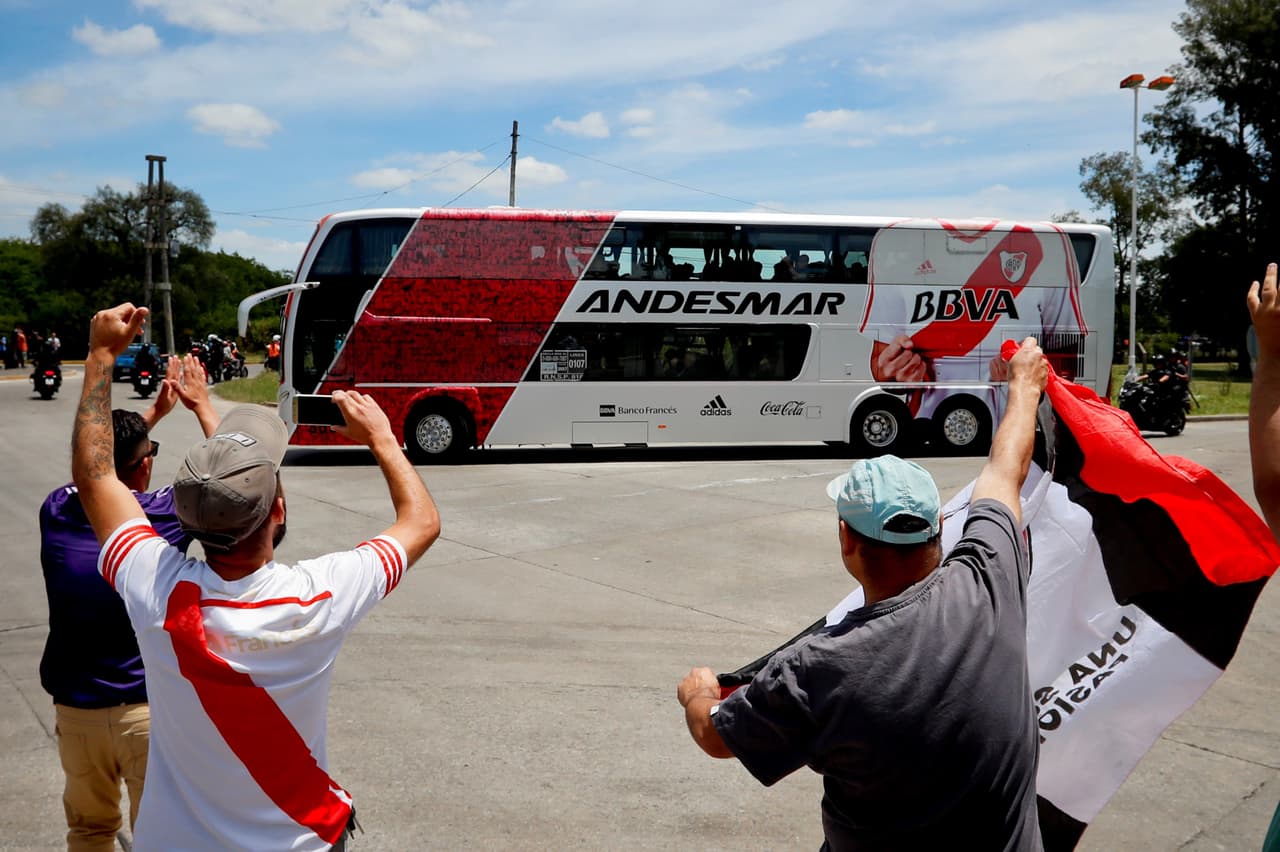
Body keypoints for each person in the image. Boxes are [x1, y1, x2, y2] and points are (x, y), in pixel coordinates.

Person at [70, 303, 441, 851]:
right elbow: (422, 521)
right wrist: (382, 438)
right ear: (280, 513)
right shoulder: (320, 594)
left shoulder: (155, 589)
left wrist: (101, 356)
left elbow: (96, 472)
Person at [678, 336, 1050, 850]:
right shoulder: (987, 577)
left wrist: (697, 694)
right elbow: (1006, 469)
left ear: (847, 539)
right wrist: (1025, 387)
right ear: (939, 528)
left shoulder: (818, 668)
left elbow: (715, 736)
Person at [40, 354, 216, 851]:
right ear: (145, 466)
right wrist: (200, 406)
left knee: (89, 830)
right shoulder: (164, 514)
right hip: (146, 710)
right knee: (162, 835)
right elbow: (229, 478)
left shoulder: (55, 509)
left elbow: (96, 471)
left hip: (75, 713)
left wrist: (146, 422)